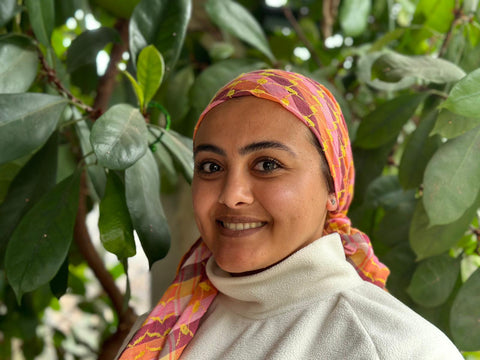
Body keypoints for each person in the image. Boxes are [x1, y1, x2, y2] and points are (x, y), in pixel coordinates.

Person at [117, 70, 463, 359]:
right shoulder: (163, 327)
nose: (231, 195)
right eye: (211, 166)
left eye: (267, 164)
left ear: (333, 188)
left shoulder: (393, 348)